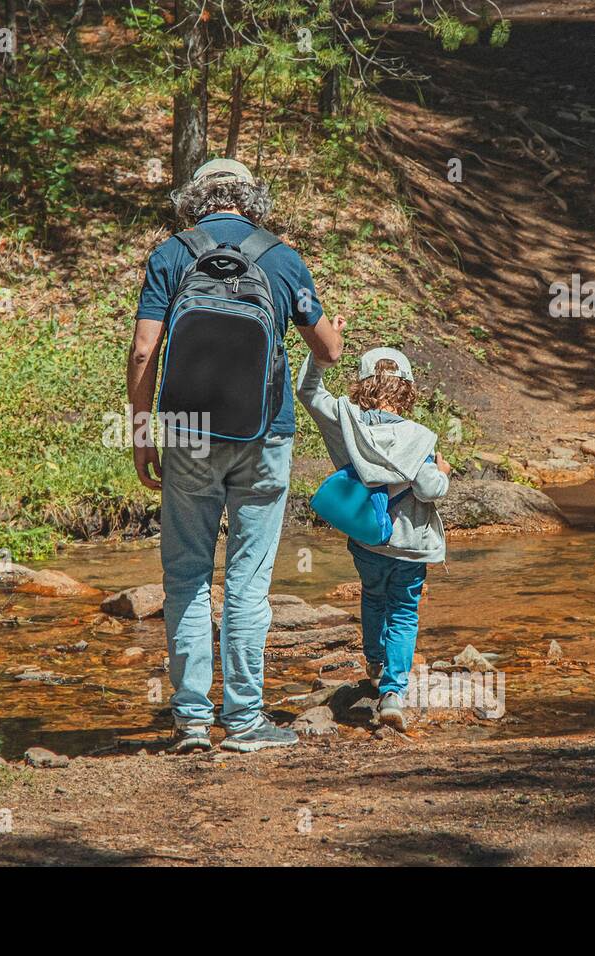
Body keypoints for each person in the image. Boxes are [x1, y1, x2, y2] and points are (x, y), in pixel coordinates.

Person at [126, 158, 343, 753]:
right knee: (249, 585)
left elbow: (146, 352)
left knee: (187, 577)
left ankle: (192, 721)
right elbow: (327, 349)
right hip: (265, 433)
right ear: (253, 201)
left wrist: (143, 431)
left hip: (189, 430)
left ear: (195, 200)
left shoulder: (172, 254)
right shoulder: (280, 257)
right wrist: (331, 327)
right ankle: (245, 722)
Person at [296, 339, 451, 731]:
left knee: (373, 595)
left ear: (363, 385)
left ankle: (376, 663)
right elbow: (430, 490)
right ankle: (393, 694)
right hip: (411, 545)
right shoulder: (419, 437)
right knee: (403, 610)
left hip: (366, 538)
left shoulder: (345, 421)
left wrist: (322, 351)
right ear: (408, 390)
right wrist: (444, 472)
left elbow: (307, 390)